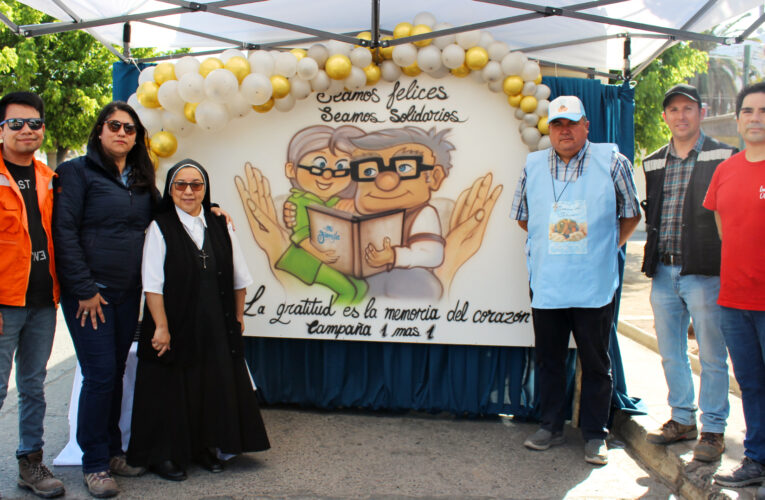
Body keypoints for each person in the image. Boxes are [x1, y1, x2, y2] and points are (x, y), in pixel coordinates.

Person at [511, 95, 641, 465]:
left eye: (572, 124)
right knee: (549, 359)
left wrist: (605, 246)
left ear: (586, 125)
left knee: (596, 362)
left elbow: (631, 213)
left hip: (593, 282)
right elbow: (522, 216)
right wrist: (557, 245)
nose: (564, 131)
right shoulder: (533, 166)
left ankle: (595, 434)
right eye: (558, 124)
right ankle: (550, 425)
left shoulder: (612, 162)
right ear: (550, 130)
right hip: (549, 281)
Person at [127, 159, 270, 481]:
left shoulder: (220, 224)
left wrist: (238, 316)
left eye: (196, 184)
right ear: (170, 190)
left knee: (209, 385)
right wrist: (161, 327)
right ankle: (164, 455)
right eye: (181, 184)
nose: (188, 191)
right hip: (174, 322)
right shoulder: (159, 226)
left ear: (205, 189)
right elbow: (152, 284)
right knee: (169, 389)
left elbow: (239, 277)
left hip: (214, 322)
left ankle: (204, 446)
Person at [53, 101, 157, 498]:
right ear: (100, 130)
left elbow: (165, 215)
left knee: (114, 372)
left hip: (127, 293)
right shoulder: (76, 171)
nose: (122, 133)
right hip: (89, 295)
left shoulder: (140, 178)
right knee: (99, 375)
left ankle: (113, 451)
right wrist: (84, 289)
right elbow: (64, 232)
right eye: (114, 125)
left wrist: (209, 208)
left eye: (130, 129)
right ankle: (94, 463)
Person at [642, 84, 736, 462]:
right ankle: (682, 419)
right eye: (674, 110)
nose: (680, 116)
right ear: (665, 116)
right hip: (663, 272)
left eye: (688, 108)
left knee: (712, 354)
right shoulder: (652, 161)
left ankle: (713, 429)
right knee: (671, 353)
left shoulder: (724, 156)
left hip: (705, 272)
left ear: (702, 112)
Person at [0, 91, 65, 498]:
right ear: (1, 129)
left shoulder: (49, 178)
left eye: (34, 123)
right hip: (3, 304)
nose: (26, 129)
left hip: (42, 302)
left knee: (33, 387)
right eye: (16, 123)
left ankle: (31, 464)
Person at [705, 82, 765, 488]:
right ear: (738, 118)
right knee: (751, 385)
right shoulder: (725, 170)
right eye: (748, 111)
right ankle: (756, 459)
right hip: (733, 300)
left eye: (764, 111)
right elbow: (724, 228)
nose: (755, 118)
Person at [348, 126, 454, 300]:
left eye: (404, 167)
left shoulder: (423, 214)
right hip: (365, 279)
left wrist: (395, 256)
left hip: (404, 277)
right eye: (368, 171)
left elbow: (433, 255)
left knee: (423, 285)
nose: (386, 182)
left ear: (434, 177)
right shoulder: (360, 217)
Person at [275, 125, 368, 304]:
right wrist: (320, 255)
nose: (327, 175)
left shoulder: (332, 202)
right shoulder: (299, 202)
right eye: (319, 166)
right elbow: (301, 235)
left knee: (361, 286)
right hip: (307, 259)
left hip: (327, 256)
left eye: (341, 167)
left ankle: (350, 316)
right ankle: (340, 317)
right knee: (348, 290)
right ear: (291, 169)